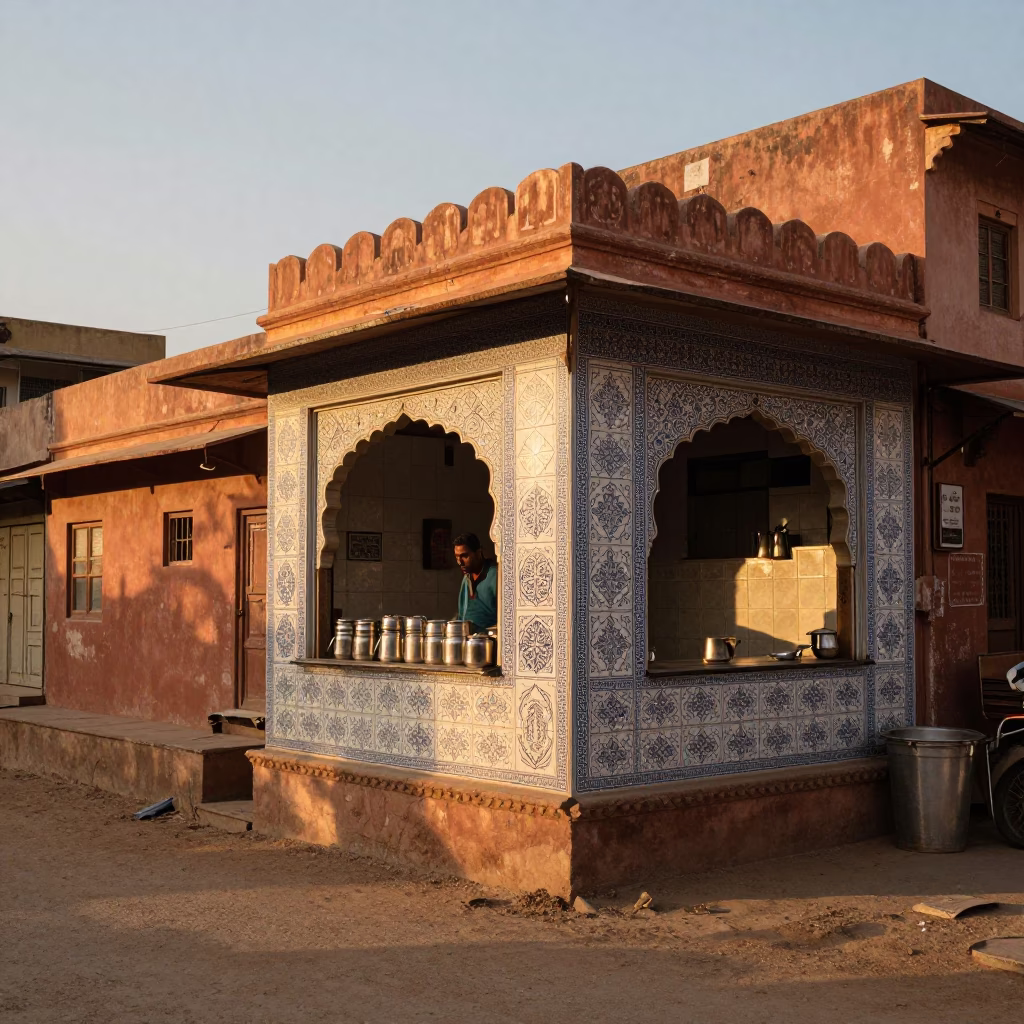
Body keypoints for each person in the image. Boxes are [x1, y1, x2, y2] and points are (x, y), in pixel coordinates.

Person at [454, 532, 498, 633]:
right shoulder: (466, 579)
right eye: (457, 557)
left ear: (478, 553)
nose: (460, 562)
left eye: (464, 556)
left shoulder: (495, 576)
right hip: (467, 641)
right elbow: (462, 615)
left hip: (488, 642)